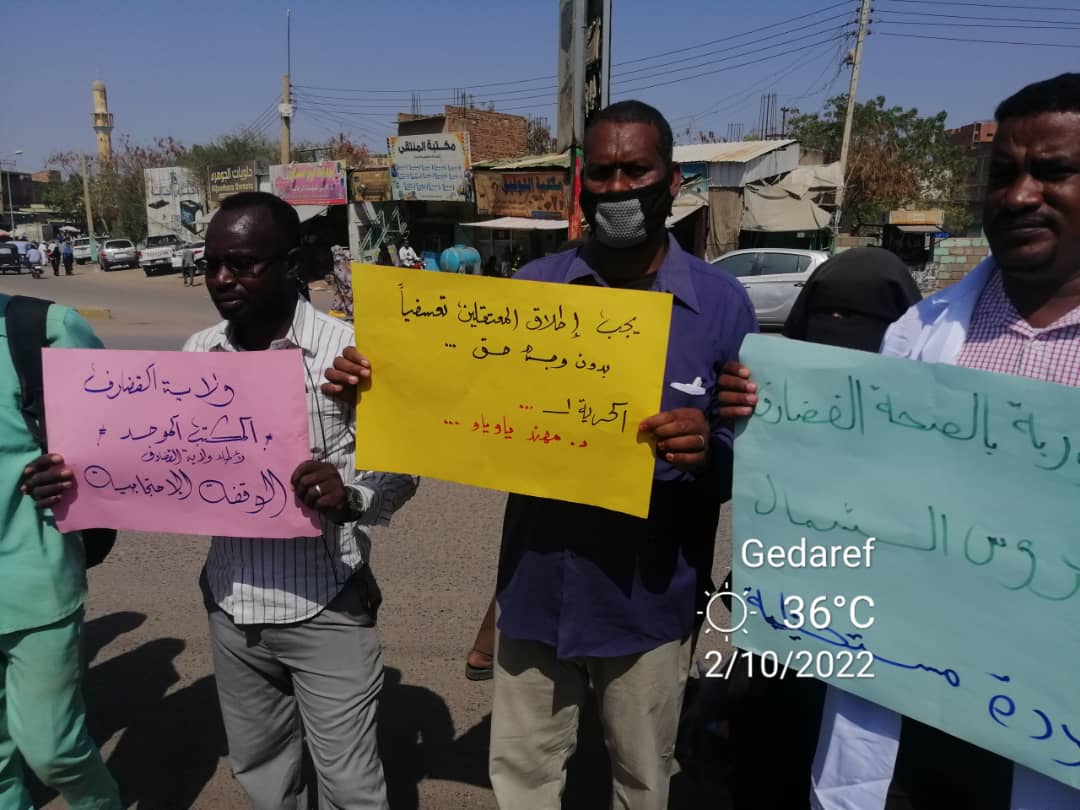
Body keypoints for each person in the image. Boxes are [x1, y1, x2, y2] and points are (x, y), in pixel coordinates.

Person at [326, 100, 758, 810]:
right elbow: (448, 399)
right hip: (535, 594)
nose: (619, 188)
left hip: (648, 604)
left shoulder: (723, 307)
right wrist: (376, 384)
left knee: (643, 783)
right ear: (582, 184)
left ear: (672, 180)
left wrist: (707, 455)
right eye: (604, 172)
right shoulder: (532, 293)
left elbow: (751, 460)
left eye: (636, 170)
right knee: (523, 782)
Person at [718, 73, 1080, 809]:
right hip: (914, 695)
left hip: (1052, 717)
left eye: (1054, 171)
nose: (1018, 196)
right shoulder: (919, 336)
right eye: (1003, 173)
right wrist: (773, 420)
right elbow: (861, 494)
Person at [37, 192, 418, 808]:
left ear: (291, 263)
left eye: (241, 264)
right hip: (230, 605)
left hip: (326, 607)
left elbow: (402, 472)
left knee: (351, 787)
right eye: (211, 262)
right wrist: (72, 475)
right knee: (264, 773)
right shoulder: (197, 354)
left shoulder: (350, 354)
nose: (221, 279)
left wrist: (350, 494)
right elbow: (147, 460)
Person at [699, 248, 922, 809]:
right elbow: (735, 482)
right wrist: (733, 418)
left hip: (886, 630)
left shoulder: (928, 411)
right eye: (830, 315)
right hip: (785, 624)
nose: (840, 332)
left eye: (866, 321)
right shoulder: (775, 389)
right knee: (770, 747)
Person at [5, 295, 123, 809]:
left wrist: (81, 467)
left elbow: (120, 434)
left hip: (35, 582)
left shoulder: (42, 329)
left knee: (54, 750)